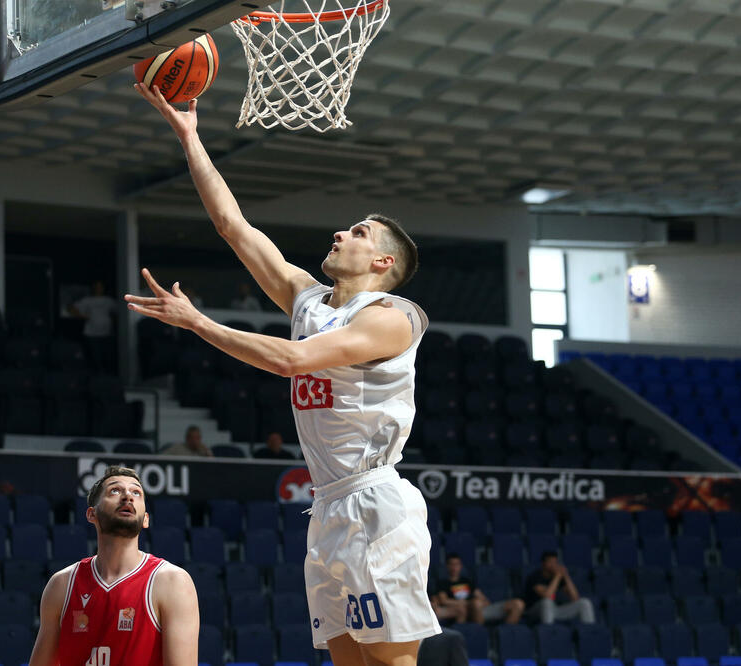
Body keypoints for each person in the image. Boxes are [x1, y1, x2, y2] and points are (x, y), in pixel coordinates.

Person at [129, 82, 438, 666]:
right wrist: (190, 138)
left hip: (375, 502)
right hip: (327, 508)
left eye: (359, 232)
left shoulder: (393, 318)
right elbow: (233, 226)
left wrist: (198, 322)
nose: (340, 233)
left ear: (383, 262)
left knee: (389, 663)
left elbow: (290, 361)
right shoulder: (309, 300)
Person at [28, 466, 199, 665]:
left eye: (136, 492)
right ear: (92, 514)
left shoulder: (172, 582)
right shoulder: (62, 585)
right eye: (115, 491)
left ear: (145, 519)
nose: (128, 496)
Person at [434, 553, 524, 625]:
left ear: (461, 566)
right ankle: (479, 633)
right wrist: (469, 603)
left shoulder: (467, 581)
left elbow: (482, 597)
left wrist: (482, 601)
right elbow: (444, 601)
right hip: (463, 610)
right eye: (451, 564)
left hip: (479, 609)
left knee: (518, 604)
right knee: (476, 603)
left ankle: (506, 634)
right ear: (447, 566)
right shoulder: (443, 583)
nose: (454, 567)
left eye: (457, 564)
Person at [523, 551, 595, 625]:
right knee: (547, 602)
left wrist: (566, 576)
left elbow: (575, 597)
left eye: (555, 562)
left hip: (555, 610)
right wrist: (558, 576)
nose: (553, 565)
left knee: (584, 603)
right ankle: (549, 629)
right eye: (550, 562)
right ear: (543, 563)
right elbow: (547, 596)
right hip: (535, 611)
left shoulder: (559, 577)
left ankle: (589, 629)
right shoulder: (534, 577)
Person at [71, 280, 118, 372]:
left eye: (100, 287)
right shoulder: (87, 300)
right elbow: (71, 308)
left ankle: (107, 374)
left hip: (106, 332)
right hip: (91, 333)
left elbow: (118, 312)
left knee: (107, 355)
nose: (98, 289)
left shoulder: (109, 300)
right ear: (93, 288)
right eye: (96, 287)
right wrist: (82, 316)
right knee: (95, 356)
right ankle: (97, 375)